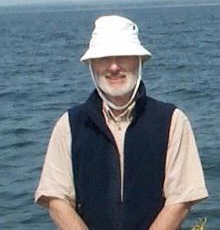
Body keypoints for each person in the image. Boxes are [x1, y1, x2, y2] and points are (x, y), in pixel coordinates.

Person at [35, 15, 208, 230]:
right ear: (92, 65)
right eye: (104, 58)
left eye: (123, 57)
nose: (114, 67)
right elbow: (56, 199)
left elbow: (181, 200)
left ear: (138, 61)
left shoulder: (172, 121)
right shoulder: (69, 125)